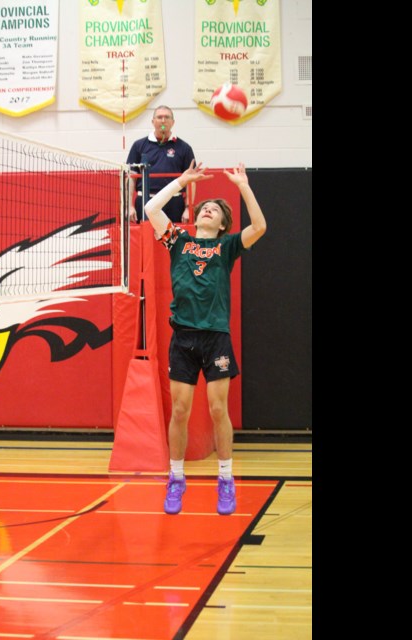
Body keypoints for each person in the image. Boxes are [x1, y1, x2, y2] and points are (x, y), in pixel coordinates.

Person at [144, 161, 267, 515]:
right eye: (205, 208)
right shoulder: (178, 241)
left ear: (223, 223)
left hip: (215, 337)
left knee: (217, 409)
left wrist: (243, 185)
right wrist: (181, 181)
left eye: (215, 210)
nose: (208, 210)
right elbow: (152, 208)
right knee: (180, 410)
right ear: (196, 217)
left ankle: (225, 480)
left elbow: (259, 226)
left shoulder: (227, 246)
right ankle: (176, 478)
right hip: (183, 337)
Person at [126, 105, 196, 224]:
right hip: (145, 201)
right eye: (159, 117)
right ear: (153, 121)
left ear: (173, 122)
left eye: (167, 117)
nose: (163, 120)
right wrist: (129, 206)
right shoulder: (139, 145)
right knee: (146, 239)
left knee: (173, 240)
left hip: (174, 203)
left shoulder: (184, 147)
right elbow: (131, 177)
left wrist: (188, 208)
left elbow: (191, 180)